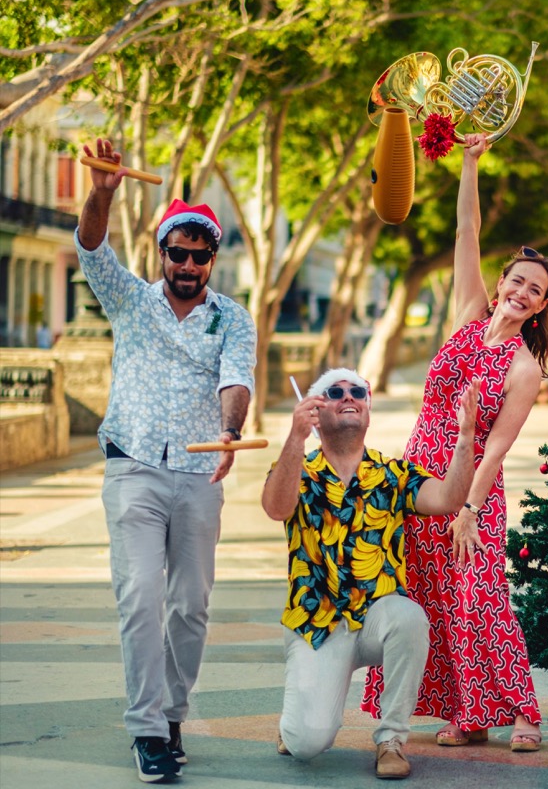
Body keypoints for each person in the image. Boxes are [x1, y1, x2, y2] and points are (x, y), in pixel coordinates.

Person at [361, 133, 548, 751]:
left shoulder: (524, 367)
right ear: (501, 283)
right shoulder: (468, 314)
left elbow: (497, 449)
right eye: (517, 281)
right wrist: (470, 163)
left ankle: (523, 713)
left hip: (472, 489)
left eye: (535, 290)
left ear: (541, 306)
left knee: (479, 598)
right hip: (421, 478)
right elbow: (466, 232)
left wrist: (469, 507)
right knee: (432, 597)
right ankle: (467, 716)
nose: (522, 292)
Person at [76, 139, 256, 783]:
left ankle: (174, 713)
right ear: (162, 253)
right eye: (177, 253)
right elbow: (91, 248)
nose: (187, 264)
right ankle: (147, 729)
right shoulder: (129, 300)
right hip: (134, 469)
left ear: (211, 260)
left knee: (190, 606)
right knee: (140, 597)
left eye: (199, 256)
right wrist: (101, 193)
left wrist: (231, 432)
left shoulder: (232, 319)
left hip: (200, 473)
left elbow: (236, 379)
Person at [262, 369, 479, 780]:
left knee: (409, 617)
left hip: (378, 616)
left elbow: (448, 498)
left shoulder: (392, 473)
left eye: (358, 391)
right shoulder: (297, 468)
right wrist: (294, 438)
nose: (349, 397)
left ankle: (391, 739)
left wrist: (465, 438)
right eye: (335, 391)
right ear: (316, 410)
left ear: (367, 407)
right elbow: (276, 507)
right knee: (306, 744)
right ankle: (296, 724)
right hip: (318, 624)